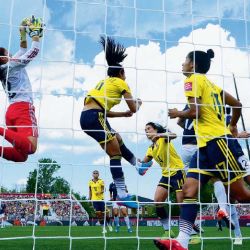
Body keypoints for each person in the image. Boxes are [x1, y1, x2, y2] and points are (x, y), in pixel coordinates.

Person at [154, 49, 250, 250]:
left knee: (241, 195)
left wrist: (177, 113)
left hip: (219, 143)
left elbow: (195, 112)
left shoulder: (192, 80)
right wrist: (232, 125)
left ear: (193, 65)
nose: (182, 64)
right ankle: (182, 242)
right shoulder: (212, 85)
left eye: (185, 60)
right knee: (189, 190)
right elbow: (238, 104)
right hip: (205, 147)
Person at [81, 36, 151, 208]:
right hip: (96, 117)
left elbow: (102, 110)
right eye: (124, 73)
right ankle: (121, 194)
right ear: (120, 73)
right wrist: (138, 103)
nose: (125, 76)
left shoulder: (103, 83)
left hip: (90, 117)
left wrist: (122, 114)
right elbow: (134, 108)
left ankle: (139, 165)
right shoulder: (121, 83)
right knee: (115, 154)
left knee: (117, 139)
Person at [0, 16, 43, 162]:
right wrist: (35, 34)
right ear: (4, 58)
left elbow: (22, 49)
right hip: (23, 108)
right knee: (31, 147)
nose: (11, 53)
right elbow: (33, 51)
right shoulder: (12, 65)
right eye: (7, 53)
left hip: (11, 112)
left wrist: (22, 33)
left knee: (21, 156)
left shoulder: (6, 65)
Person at [140, 122, 185, 238]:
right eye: (145, 130)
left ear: (155, 129)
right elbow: (142, 163)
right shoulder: (150, 149)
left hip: (177, 172)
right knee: (158, 201)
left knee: (182, 204)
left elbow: (174, 135)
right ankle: (168, 231)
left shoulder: (163, 138)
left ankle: (193, 232)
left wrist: (160, 135)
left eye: (148, 128)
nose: (147, 131)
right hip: (166, 175)